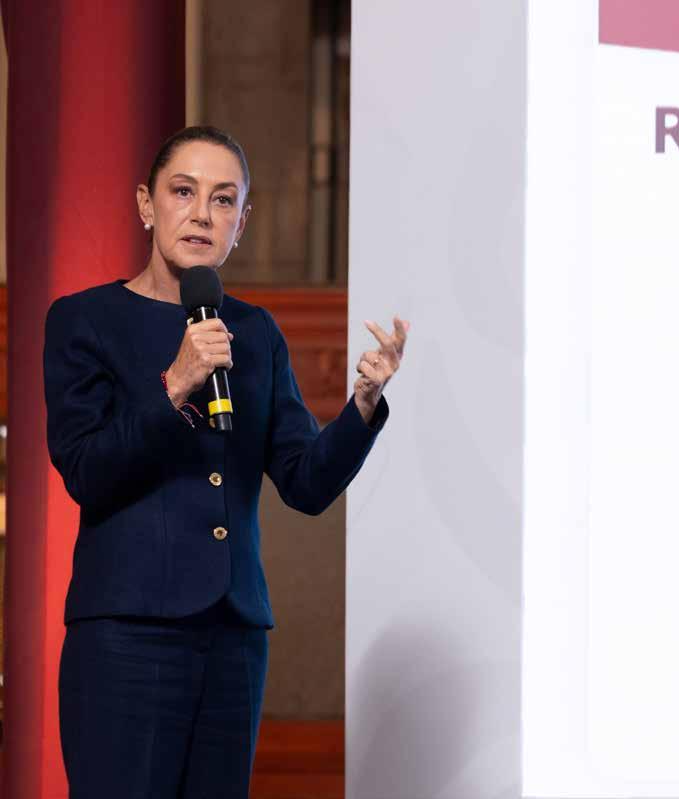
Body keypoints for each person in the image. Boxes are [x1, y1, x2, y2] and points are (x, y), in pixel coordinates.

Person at [42, 124, 410, 798]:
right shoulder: (85, 320)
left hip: (233, 638)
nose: (202, 215)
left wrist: (363, 404)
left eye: (223, 199)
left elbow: (305, 483)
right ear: (147, 204)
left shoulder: (256, 332)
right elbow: (86, 469)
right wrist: (174, 385)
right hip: (127, 637)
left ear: (241, 223)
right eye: (183, 192)